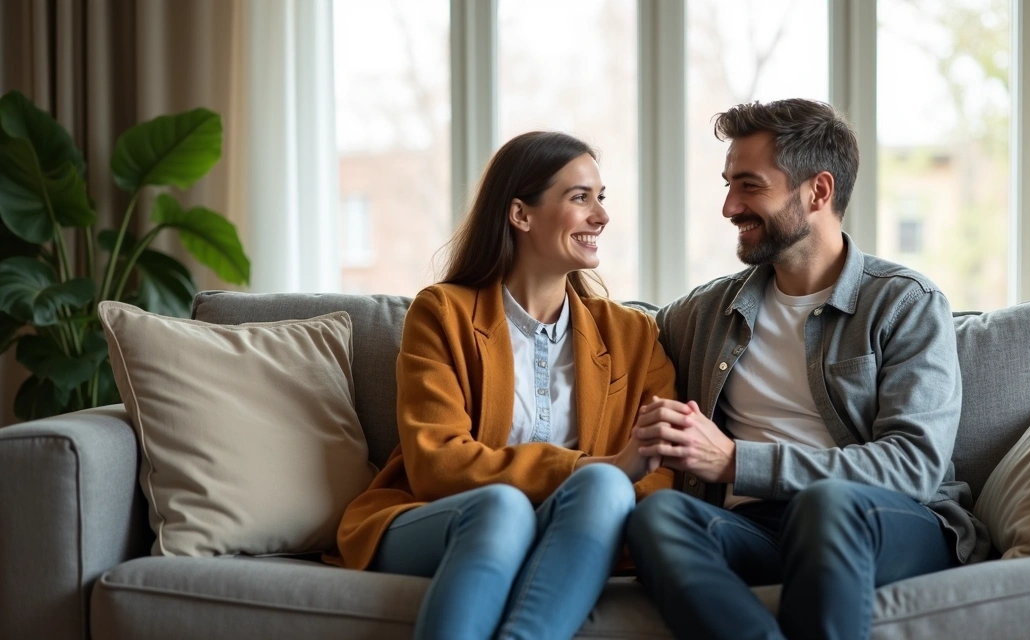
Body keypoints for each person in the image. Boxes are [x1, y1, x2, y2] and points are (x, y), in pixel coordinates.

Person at [626, 98, 991, 640]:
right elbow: (621, 327)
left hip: (880, 521)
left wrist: (736, 462)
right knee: (658, 518)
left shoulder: (903, 303)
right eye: (728, 185)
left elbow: (913, 466)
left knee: (825, 505)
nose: (728, 206)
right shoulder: (709, 313)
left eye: (749, 186)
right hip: (755, 529)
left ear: (818, 191)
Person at [332, 131, 677, 640]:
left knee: (604, 487)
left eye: (601, 198)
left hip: (576, 532)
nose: (601, 216)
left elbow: (664, 467)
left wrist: (603, 489)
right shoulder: (442, 313)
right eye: (580, 198)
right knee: (505, 506)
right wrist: (588, 466)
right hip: (443, 517)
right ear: (521, 214)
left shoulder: (633, 335)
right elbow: (435, 463)